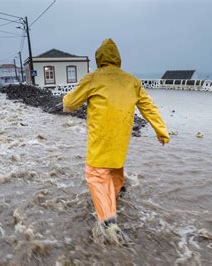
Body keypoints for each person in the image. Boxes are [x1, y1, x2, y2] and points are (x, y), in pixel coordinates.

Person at [63, 38, 170, 245]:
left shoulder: (93, 78)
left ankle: (108, 222)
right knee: (114, 169)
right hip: (120, 141)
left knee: (95, 174)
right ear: (118, 59)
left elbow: (69, 103)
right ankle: (117, 196)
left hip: (100, 140)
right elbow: (149, 107)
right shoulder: (132, 81)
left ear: (99, 59)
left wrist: (68, 101)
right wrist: (161, 130)